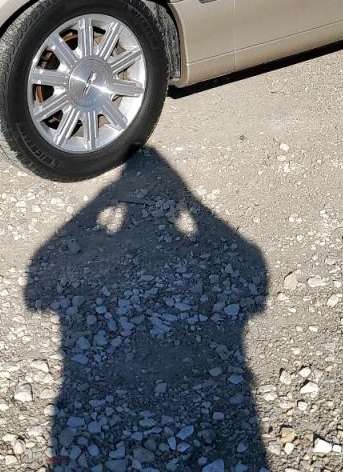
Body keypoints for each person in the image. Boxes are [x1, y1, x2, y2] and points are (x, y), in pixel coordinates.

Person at [26, 149, 269, 470]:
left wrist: (102, 199)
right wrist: (191, 203)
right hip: (234, 395)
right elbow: (249, 269)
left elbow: (36, 294)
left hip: (75, 400)